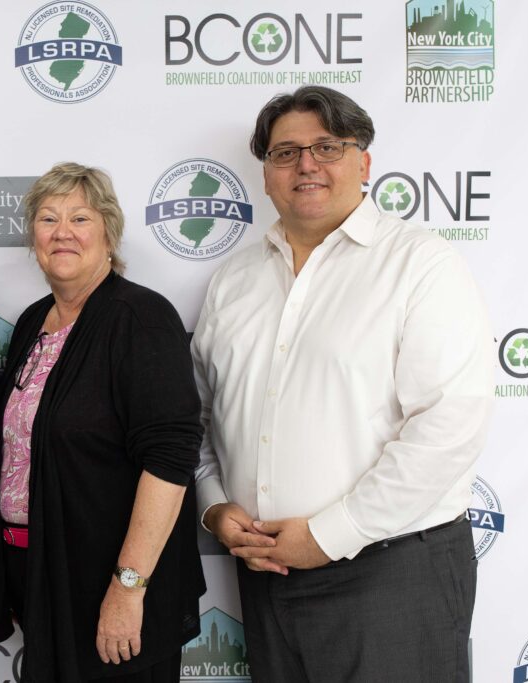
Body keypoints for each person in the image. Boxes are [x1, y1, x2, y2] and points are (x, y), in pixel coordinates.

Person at [192, 86, 493, 683]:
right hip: (265, 578)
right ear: (266, 172)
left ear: (364, 163)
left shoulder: (420, 265)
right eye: (285, 152)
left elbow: (448, 423)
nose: (306, 164)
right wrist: (215, 508)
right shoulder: (234, 281)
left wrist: (332, 535)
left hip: (393, 570)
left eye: (327, 146)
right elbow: (198, 419)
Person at [0, 162, 206, 681]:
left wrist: (127, 588)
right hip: (46, 576)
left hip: (112, 583)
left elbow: (170, 460)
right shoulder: (32, 322)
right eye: (47, 218)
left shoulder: (139, 318)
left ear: (108, 232)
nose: (62, 232)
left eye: (80, 218)